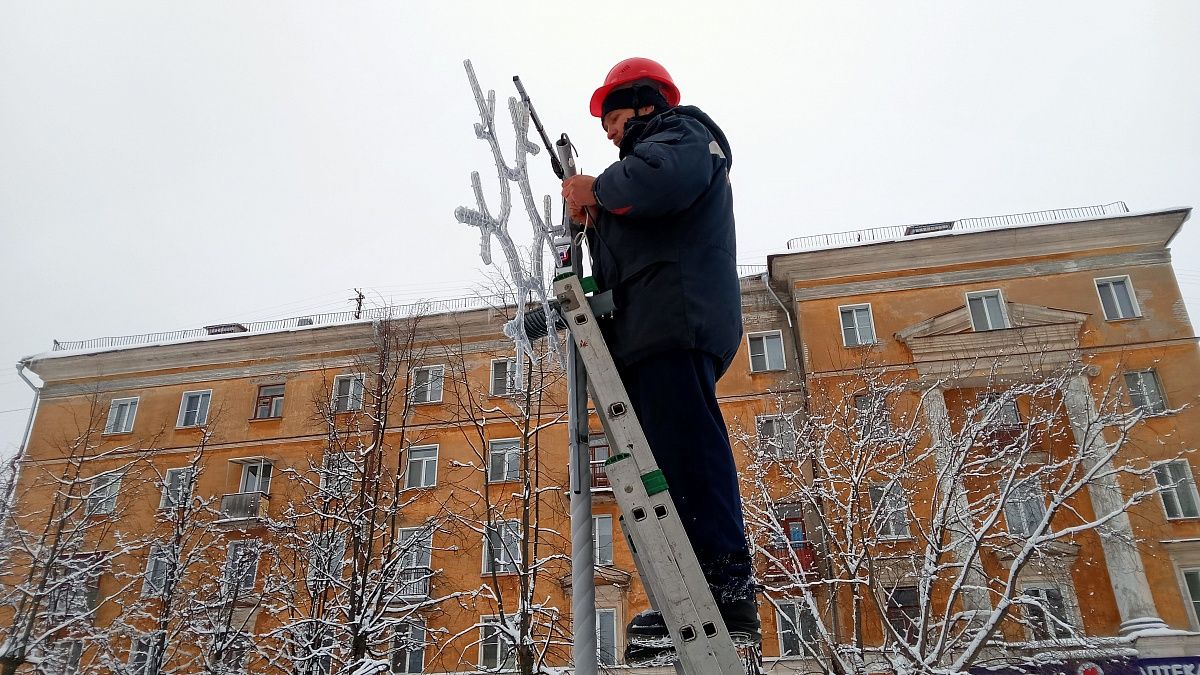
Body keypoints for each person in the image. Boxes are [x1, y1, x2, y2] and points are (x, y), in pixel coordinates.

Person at [561, 57, 759, 658]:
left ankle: (726, 591)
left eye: (615, 119)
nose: (612, 134)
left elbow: (663, 181)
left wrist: (596, 189)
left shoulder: (685, 135)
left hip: (676, 320)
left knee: (688, 452)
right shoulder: (645, 162)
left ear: (646, 103)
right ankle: (687, 598)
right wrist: (597, 218)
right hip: (649, 328)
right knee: (663, 470)